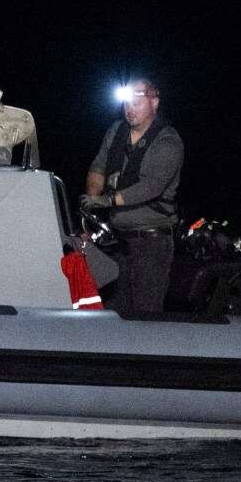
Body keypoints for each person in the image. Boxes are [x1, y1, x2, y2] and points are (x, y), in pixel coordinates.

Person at [82, 76, 183, 314]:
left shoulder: (168, 140)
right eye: (126, 102)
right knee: (113, 312)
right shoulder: (116, 131)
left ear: (154, 102)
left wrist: (108, 200)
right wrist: (90, 209)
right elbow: (98, 167)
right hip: (117, 241)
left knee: (145, 314)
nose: (130, 109)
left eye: (138, 101)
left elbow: (152, 186)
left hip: (151, 243)